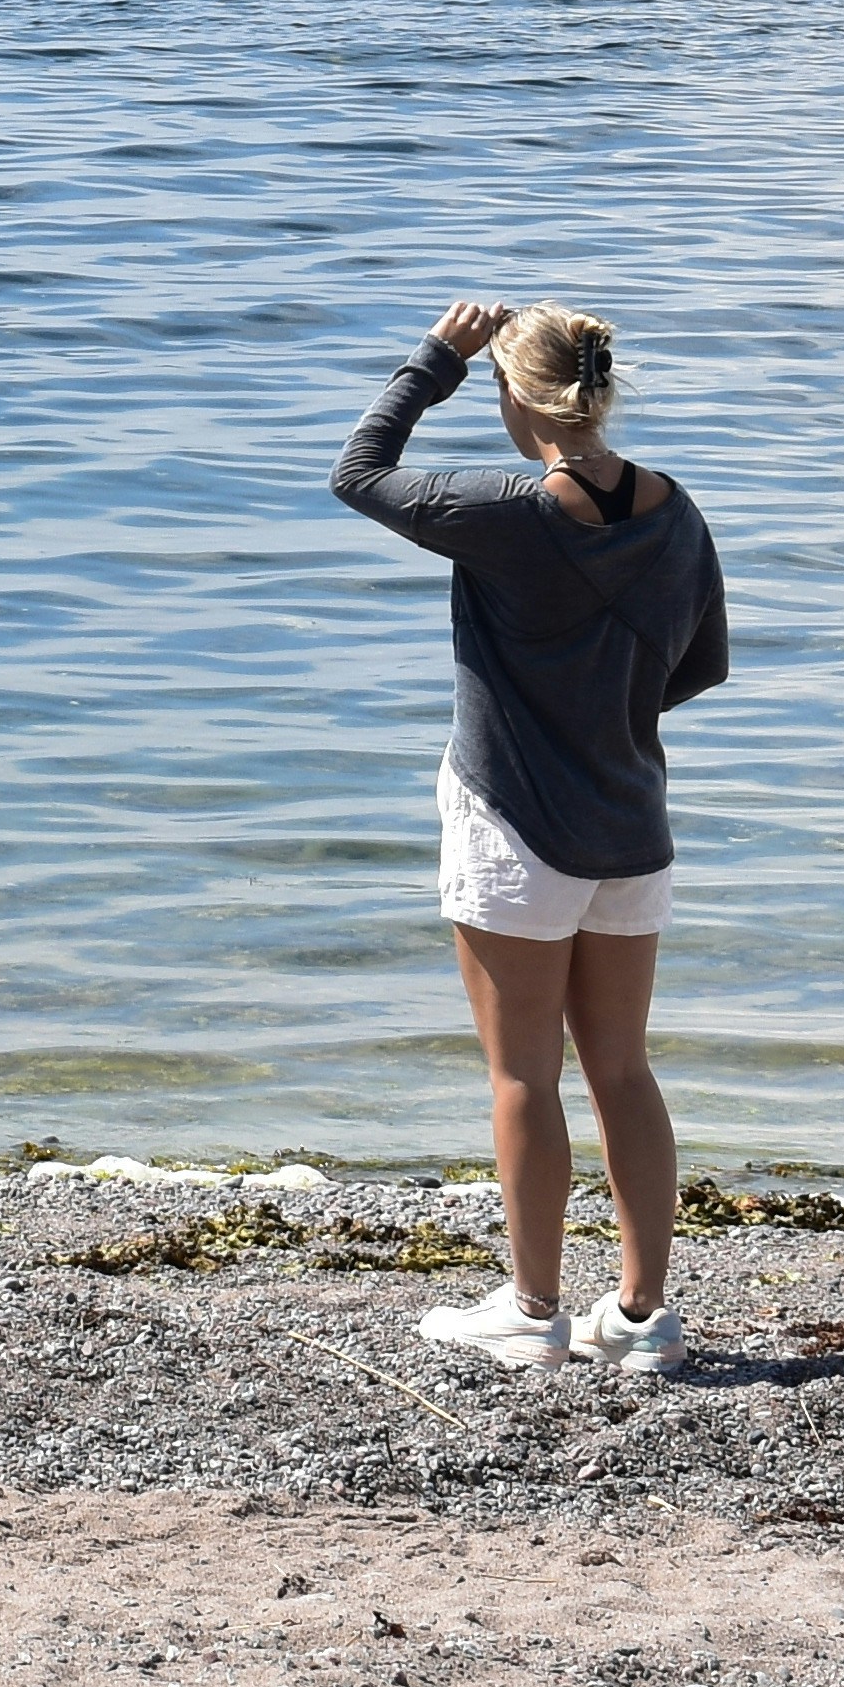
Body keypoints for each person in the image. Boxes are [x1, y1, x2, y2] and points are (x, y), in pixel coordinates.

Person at [331, 293, 728, 1376]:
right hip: (631, 822)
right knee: (623, 1069)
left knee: (523, 1077)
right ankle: (644, 1319)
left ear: (518, 392)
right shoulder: (675, 510)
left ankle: (535, 1309)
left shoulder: (505, 507)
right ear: (598, 395)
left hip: (514, 824)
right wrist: (606, 719)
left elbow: (358, 473)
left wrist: (431, 359)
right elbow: (702, 664)